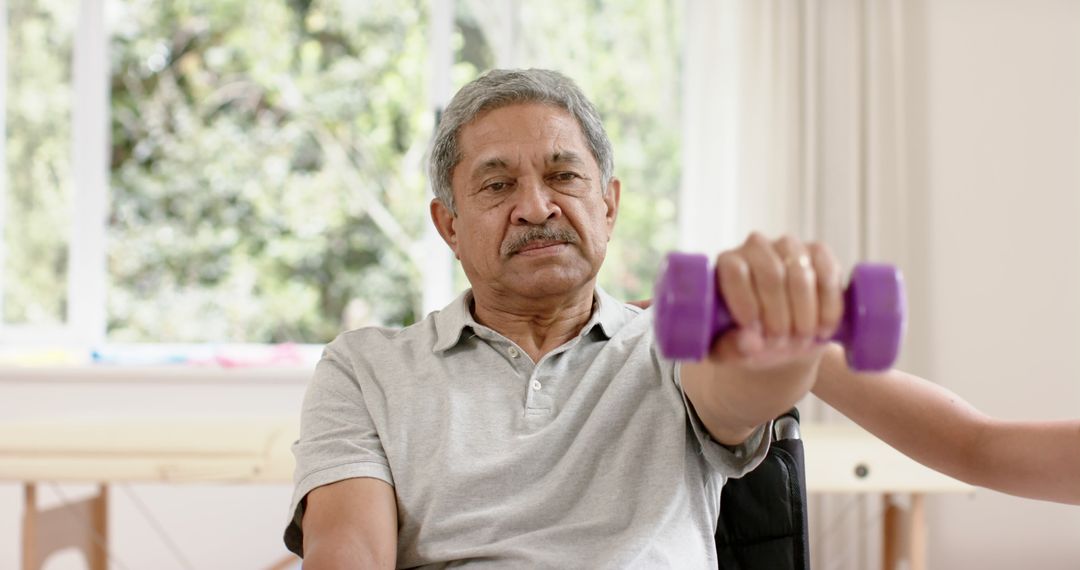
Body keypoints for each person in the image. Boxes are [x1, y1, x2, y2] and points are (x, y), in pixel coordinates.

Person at [284, 68, 1079, 569]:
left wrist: (781, 347)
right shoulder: (366, 368)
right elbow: (348, 558)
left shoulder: (673, 340)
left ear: (609, 204)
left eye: (565, 174)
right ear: (448, 223)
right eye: (496, 186)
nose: (537, 206)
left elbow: (746, 388)